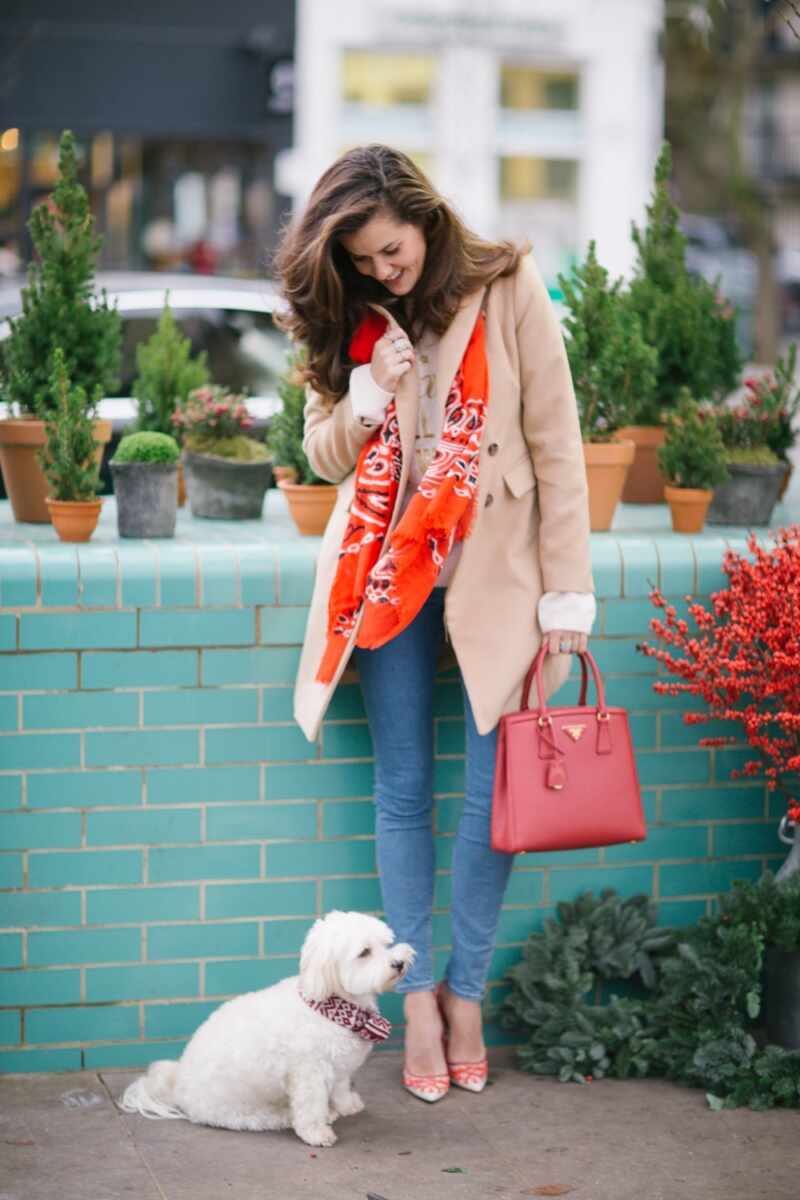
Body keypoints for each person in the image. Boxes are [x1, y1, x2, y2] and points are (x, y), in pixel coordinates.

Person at [277, 145, 595, 1103]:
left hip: (495, 573)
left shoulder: (505, 283)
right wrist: (369, 398)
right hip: (388, 580)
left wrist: (566, 594)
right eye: (365, 260)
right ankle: (414, 999)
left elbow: (557, 440)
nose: (384, 269)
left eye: (391, 249)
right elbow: (323, 451)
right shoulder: (356, 318)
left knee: (492, 799)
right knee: (404, 787)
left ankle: (468, 995)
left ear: (424, 218)